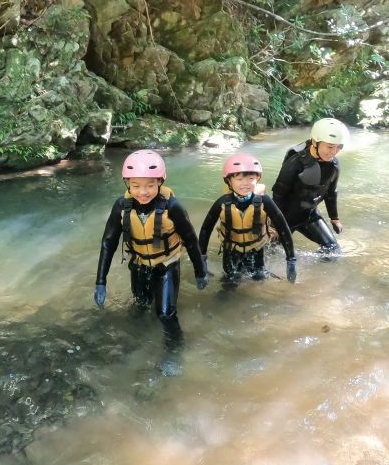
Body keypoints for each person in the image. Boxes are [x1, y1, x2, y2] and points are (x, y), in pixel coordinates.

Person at [93, 150, 209, 348]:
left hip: (167, 265)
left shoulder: (172, 207)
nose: (142, 192)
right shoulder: (122, 206)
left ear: (160, 182)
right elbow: (108, 243)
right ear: (127, 183)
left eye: (150, 185)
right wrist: (100, 282)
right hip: (138, 264)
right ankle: (137, 344)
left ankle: (174, 351)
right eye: (136, 185)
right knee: (140, 306)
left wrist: (200, 271)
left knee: (165, 314)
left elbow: (190, 240)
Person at [199, 153, 297, 288]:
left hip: (255, 249)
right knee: (230, 282)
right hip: (231, 250)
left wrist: (291, 259)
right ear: (229, 181)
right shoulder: (222, 203)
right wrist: (201, 260)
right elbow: (205, 230)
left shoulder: (264, 201)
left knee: (258, 279)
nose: (245, 183)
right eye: (239, 179)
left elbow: (283, 228)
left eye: (251, 178)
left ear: (257, 179)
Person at [272, 117, 350, 257]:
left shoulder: (334, 165)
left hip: (309, 216)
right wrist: (274, 225)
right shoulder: (296, 162)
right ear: (315, 142)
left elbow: (331, 192)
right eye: (330, 146)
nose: (334, 151)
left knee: (333, 252)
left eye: (339, 147)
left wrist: (334, 218)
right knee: (269, 254)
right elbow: (279, 194)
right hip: (285, 217)